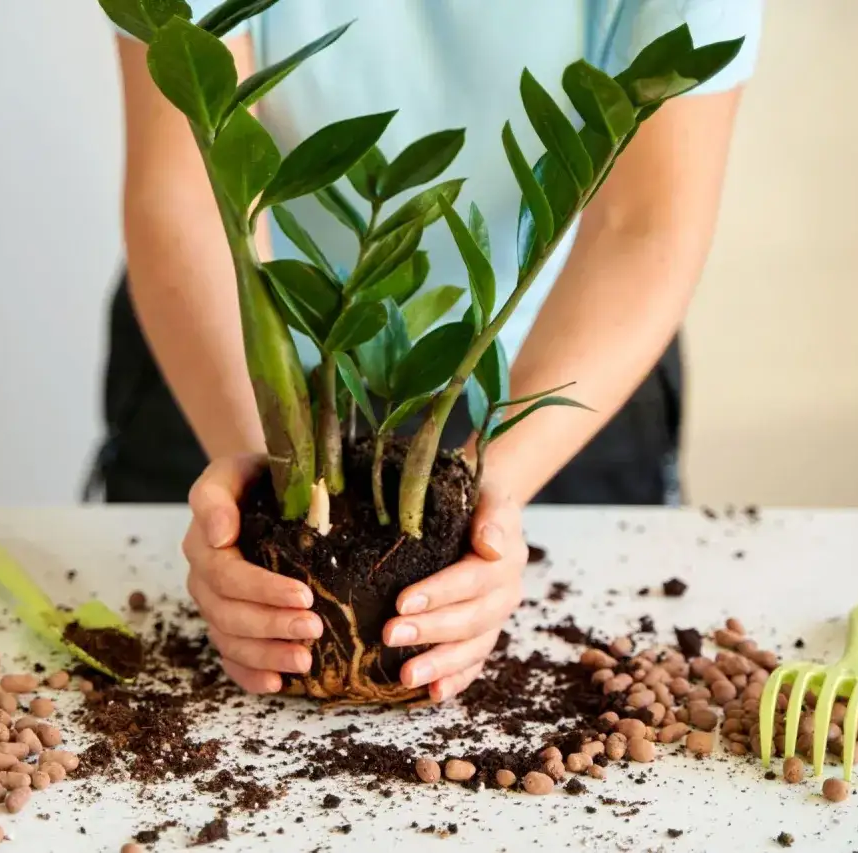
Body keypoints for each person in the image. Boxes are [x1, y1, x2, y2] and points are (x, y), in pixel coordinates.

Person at [86, 0, 765, 702]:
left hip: (562, 357)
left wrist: (485, 500)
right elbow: (193, 183)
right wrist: (270, 495)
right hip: (231, 343)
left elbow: (643, 224)